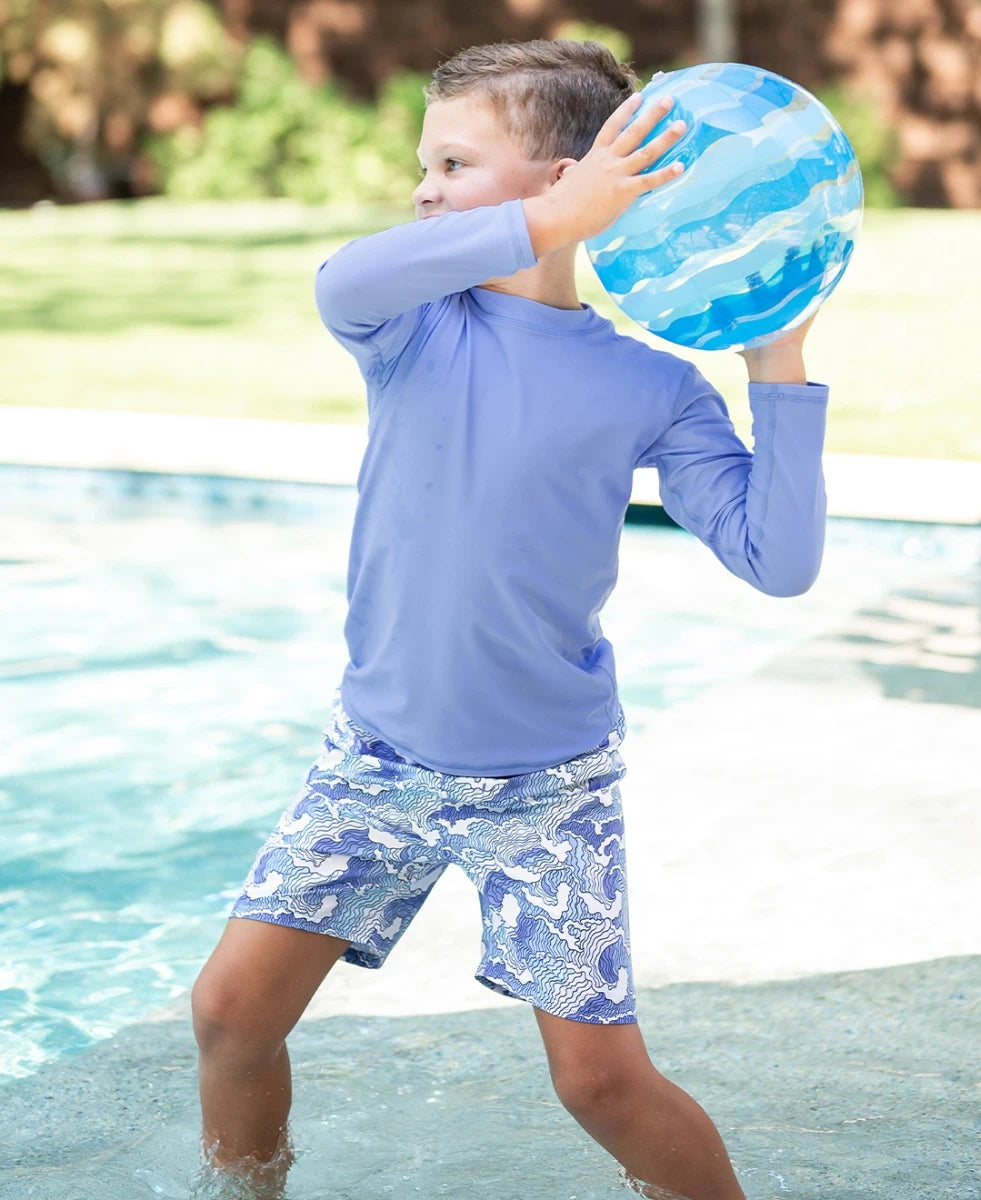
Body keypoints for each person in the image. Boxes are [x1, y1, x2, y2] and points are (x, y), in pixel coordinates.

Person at [190, 38, 828, 1200]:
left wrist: (777, 367)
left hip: (546, 787)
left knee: (597, 1087)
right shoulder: (413, 328)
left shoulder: (652, 385)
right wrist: (544, 221)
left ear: (565, 178)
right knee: (230, 1011)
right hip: (375, 757)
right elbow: (343, 277)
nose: (424, 188)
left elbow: (775, 561)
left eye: (453, 161)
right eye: (423, 165)